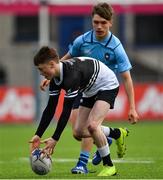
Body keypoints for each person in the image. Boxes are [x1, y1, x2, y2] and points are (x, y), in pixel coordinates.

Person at [40, 2, 139, 174]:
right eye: (96, 22)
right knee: (78, 132)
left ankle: (84, 164)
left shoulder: (116, 47)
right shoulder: (83, 40)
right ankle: (113, 135)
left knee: (92, 125)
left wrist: (132, 107)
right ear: (92, 21)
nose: (99, 26)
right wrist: (52, 74)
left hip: (104, 87)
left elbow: (127, 78)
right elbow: (67, 59)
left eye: (103, 22)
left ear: (110, 23)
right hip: (84, 86)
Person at [29, 46, 133, 176]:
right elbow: (50, 108)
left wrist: (55, 139)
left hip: (107, 85)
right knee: (78, 132)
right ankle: (117, 133)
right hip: (90, 90)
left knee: (93, 126)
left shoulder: (71, 76)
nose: (40, 73)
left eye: (41, 69)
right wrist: (38, 134)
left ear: (51, 64)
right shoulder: (55, 79)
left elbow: (66, 111)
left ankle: (109, 166)